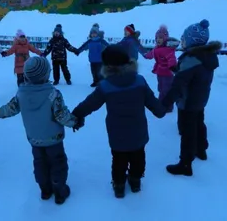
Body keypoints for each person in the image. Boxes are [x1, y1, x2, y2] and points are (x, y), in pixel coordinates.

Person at [71, 45, 166, 198]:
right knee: (138, 157)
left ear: (107, 65)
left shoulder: (106, 86)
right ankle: (135, 182)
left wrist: (76, 115)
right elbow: (154, 104)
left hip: (117, 134)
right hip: (138, 132)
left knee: (119, 160)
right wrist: (161, 110)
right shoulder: (140, 81)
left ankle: (119, 185)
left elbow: (90, 104)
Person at [0, 57, 83, 204]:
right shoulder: (53, 94)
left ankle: (45, 190)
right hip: (54, 138)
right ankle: (59, 190)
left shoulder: (21, 93)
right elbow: (61, 115)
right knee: (57, 163)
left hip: (35, 139)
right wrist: (75, 122)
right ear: (46, 74)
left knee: (40, 162)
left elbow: (10, 109)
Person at [161, 19, 222, 176]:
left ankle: (185, 164)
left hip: (188, 100)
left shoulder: (191, 59)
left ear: (191, 40)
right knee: (199, 123)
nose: (182, 41)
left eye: (184, 38)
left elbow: (178, 85)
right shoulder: (207, 56)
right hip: (200, 98)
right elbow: (195, 75)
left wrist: (165, 102)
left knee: (187, 131)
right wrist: (179, 69)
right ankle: (201, 150)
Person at [143, 25, 179, 112]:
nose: (158, 39)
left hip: (168, 73)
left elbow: (172, 59)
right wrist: (146, 55)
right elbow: (151, 54)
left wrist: (173, 67)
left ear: (165, 39)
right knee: (161, 88)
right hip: (160, 72)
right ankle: (162, 102)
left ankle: (167, 106)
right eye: (157, 38)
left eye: (160, 38)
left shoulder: (168, 50)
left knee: (166, 90)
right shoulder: (156, 48)